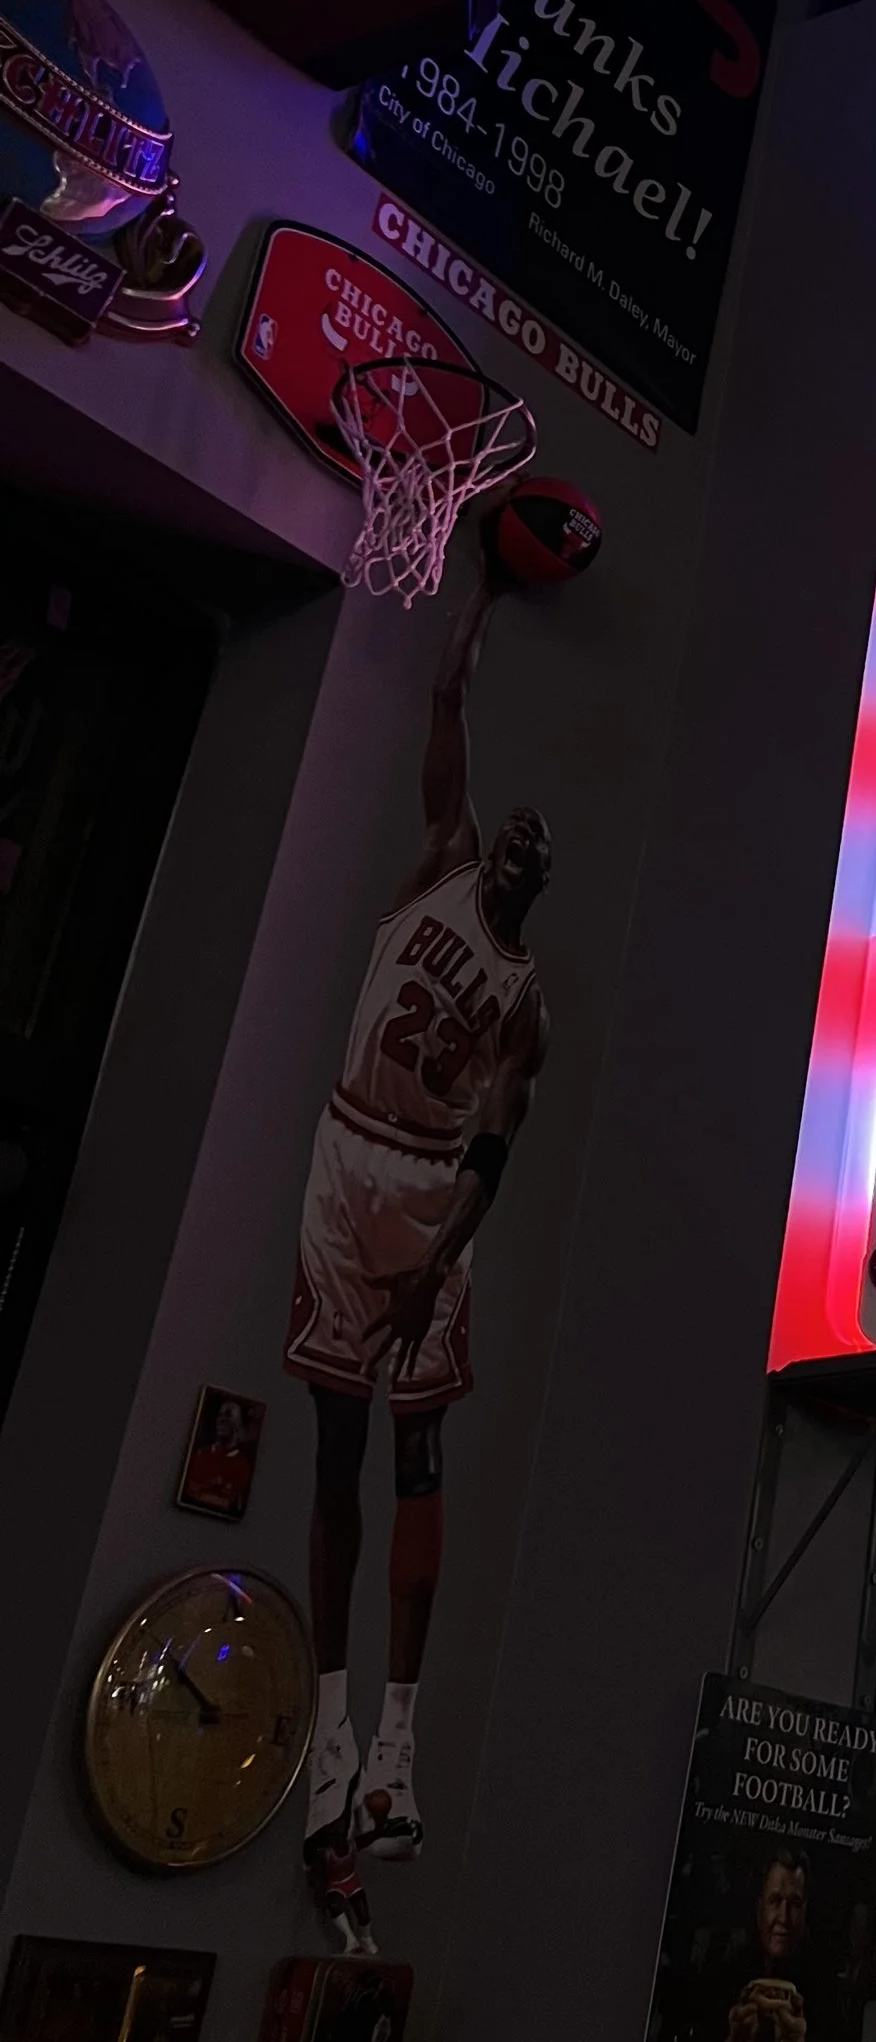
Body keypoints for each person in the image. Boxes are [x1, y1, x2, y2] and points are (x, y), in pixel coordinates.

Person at [283, 554, 551, 1948]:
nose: (517, 844)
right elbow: (447, 701)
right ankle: (330, 1731)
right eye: (512, 832)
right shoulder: (443, 854)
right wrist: (484, 595)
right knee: (334, 1443)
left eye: (533, 851)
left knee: (420, 1450)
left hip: (434, 1199)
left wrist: (437, 1268)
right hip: (350, 1156)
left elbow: (497, 1154)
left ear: (540, 883)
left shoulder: (525, 1007)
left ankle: (395, 1742)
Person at [691, 1851, 830, 2042]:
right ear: (759, 1908)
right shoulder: (725, 1976)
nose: (783, 1918)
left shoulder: (820, 1985)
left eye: (794, 1904)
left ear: (805, 1912)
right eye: (775, 1901)